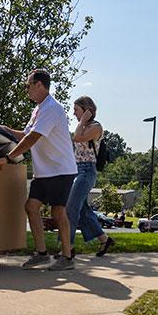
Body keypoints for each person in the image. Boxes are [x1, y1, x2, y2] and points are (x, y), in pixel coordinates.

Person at [0, 69, 77, 271]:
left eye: (28, 85)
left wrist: (8, 158)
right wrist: (3, 129)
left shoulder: (52, 108)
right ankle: (41, 254)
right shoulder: (39, 109)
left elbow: (32, 139)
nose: (27, 90)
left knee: (58, 212)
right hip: (45, 171)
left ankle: (67, 258)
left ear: (39, 85)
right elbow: (25, 133)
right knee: (31, 207)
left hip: (61, 169)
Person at [67, 96, 115, 257]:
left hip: (87, 171)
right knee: (83, 211)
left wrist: (83, 121)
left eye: (76, 110)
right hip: (77, 170)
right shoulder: (82, 126)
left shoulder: (95, 127)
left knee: (71, 208)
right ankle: (104, 239)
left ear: (87, 110)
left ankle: (68, 247)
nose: (74, 114)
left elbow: (77, 137)